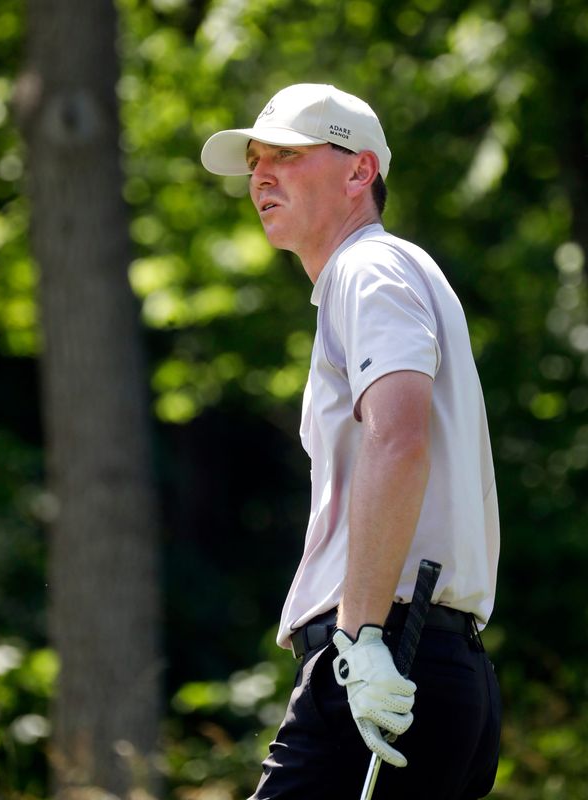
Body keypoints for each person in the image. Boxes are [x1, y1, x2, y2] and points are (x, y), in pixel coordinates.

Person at [201, 83, 501, 800]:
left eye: (287, 154)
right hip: (427, 660)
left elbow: (398, 439)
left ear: (360, 171)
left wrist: (361, 639)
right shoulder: (389, 271)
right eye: (254, 160)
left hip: (386, 658)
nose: (261, 175)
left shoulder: (366, 269)